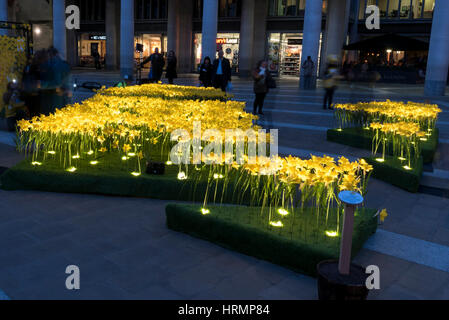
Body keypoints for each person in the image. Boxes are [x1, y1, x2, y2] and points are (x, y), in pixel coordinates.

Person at [39, 47, 72, 115]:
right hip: (65, 94)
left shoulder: (55, 65)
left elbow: (57, 83)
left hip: (56, 97)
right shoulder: (65, 64)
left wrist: (41, 84)